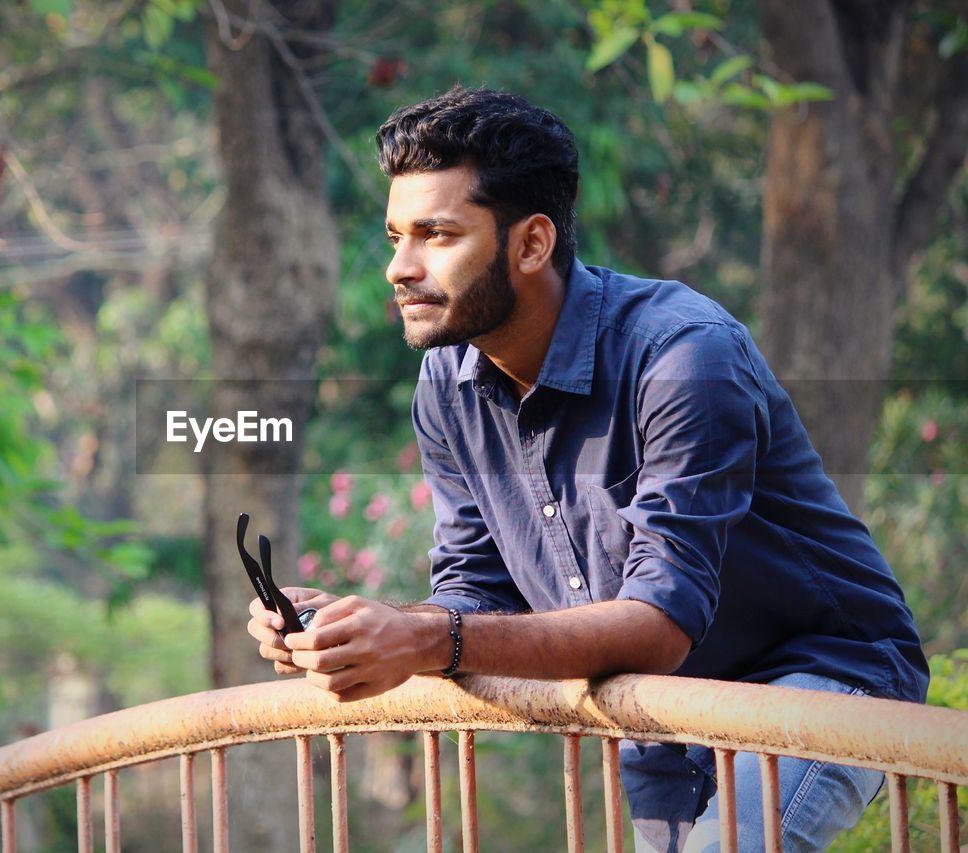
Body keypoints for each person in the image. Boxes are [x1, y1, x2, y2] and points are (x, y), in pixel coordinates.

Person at [246, 86, 928, 852]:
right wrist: (357, 625)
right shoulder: (448, 384)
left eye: (436, 235)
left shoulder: (683, 356)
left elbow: (659, 621)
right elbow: (476, 593)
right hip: (655, 711)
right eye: (396, 236)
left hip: (819, 677)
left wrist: (421, 636)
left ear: (532, 244)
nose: (399, 269)